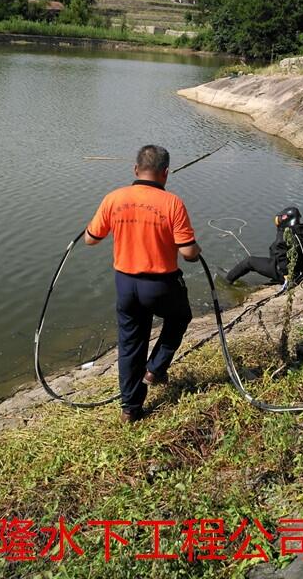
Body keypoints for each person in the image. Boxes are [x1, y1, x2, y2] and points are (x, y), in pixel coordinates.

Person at [84, 145, 201, 423]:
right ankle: (156, 368)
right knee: (180, 317)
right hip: (160, 284)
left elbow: (90, 239)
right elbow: (188, 253)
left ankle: (130, 409)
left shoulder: (114, 198)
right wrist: (196, 250)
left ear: (136, 170)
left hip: (125, 285)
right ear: (166, 174)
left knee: (130, 345)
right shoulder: (172, 203)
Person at [225, 206, 303, 286]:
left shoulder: (284, 234)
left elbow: (279, 254)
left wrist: (286, 275)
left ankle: (227, 280)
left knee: (249, 261)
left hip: (288, 274)